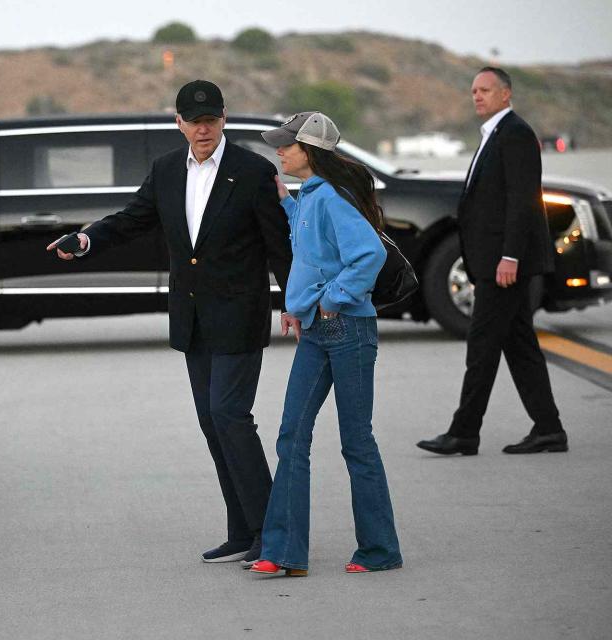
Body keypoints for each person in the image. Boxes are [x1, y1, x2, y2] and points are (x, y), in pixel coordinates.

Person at [48, 80, 292, 566]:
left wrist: (294, 299)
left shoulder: (253, 171)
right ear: (178, 122)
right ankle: (242, 529)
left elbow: (277, 243)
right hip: (194, 316)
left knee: (230, 417)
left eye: (211, 119)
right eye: (193, 120)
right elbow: (133, 218)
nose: (203, 128)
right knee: (211, 422)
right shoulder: (165, 170)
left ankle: (273, 531)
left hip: (239, 314)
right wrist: (87, 238)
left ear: (224, 119)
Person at [249, 112, 402, 577]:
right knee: (291, 435)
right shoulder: (312, 196)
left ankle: (380, 549)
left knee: (356, 442)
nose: (279, 151)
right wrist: (286, 205)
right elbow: (315, 252)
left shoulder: (332, 196)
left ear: (309, 151)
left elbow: (368, 255)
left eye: (286, 145)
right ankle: (285, 552)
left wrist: (334, 300)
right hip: (316, 332)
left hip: (348, 330)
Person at [416, 67, 566, 457]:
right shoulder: (494, 135)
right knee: (520, 346)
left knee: (482, 346)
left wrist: (510, 256)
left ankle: (464, 432)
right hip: (491, 261)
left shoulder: (514, 133)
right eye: (473, 91)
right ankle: (549, 429)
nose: (477, 96)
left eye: (485, 90)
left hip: (504, 263)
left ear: (506, 94)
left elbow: (523, 201)